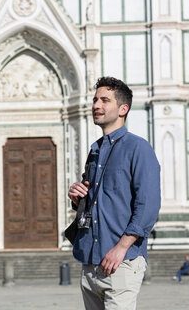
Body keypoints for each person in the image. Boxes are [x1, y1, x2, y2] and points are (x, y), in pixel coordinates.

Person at [68, 76, 161, 310]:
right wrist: (78, 198)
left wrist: (121, 248)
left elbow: (148, 206)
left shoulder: (138, 148)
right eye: (95, 99)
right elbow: (98, 202)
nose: (96, 105)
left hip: (122, 261)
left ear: (123, 108)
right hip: (90, 262)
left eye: (104, 100)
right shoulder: (95, 151)